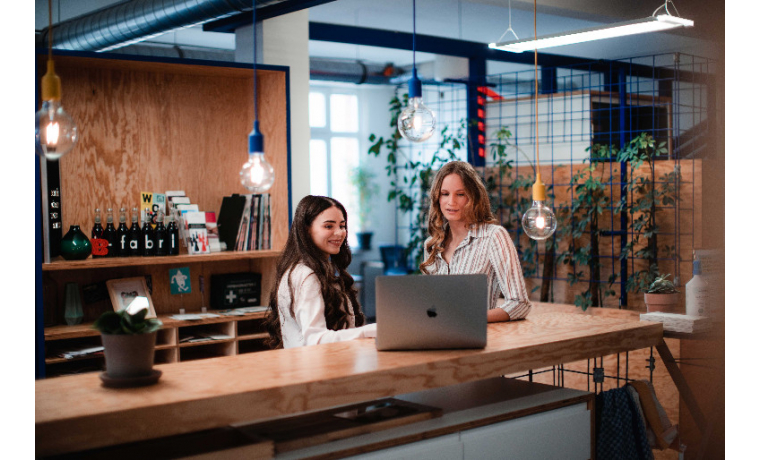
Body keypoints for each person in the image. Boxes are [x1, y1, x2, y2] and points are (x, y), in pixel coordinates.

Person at [420, 161, 532, 322]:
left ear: (473, 197)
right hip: (435, 335)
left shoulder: (494, 237)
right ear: (437, 198)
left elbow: (520, 303)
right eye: (445, 193)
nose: (451, 202)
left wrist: (471, 318)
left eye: (460, 194)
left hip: (477, 340)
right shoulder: (431, 245)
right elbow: (428, 305)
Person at [265, 195, 376, 348]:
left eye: (342, 226)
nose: (339, 233)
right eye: (329, 226)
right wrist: (370, 331)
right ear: (306, 229)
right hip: (315, 369)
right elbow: (315, 339)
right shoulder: (306, 275)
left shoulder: (302, 269)